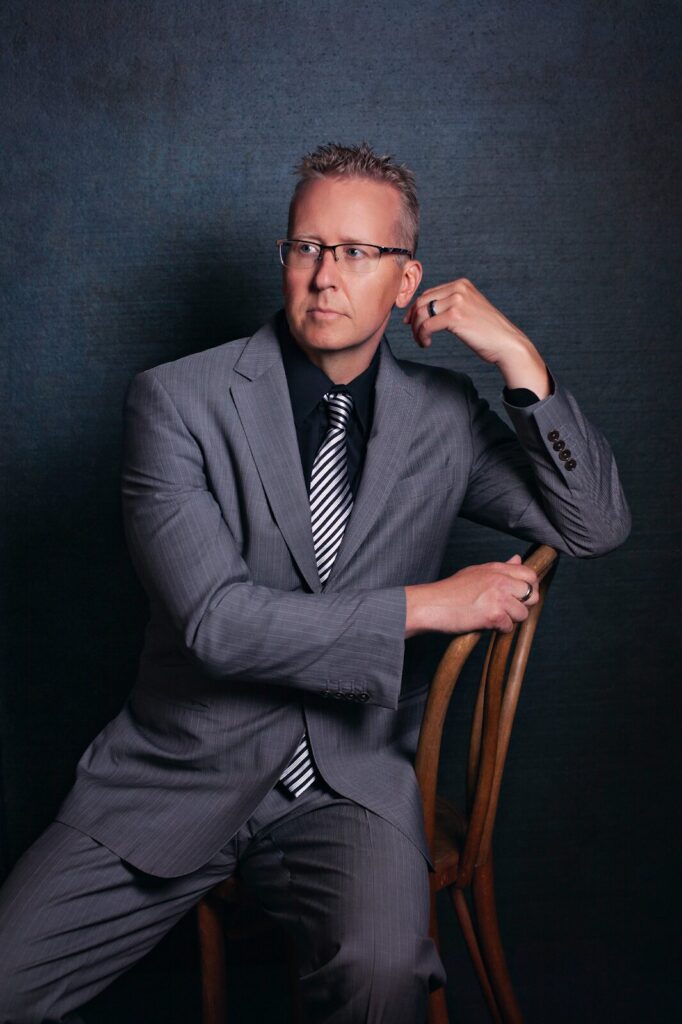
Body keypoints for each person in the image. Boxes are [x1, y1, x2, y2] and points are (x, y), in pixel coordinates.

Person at [0, 142, 630, 1024]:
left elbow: (596, 525)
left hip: (346, 786)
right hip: (176, 773)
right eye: (308, 248)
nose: (326, 276)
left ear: (406, 281)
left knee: (382, 976)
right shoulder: (176, 403)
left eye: (357, 253)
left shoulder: (444, 423)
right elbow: (217, 624)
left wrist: (517, 355)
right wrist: (429, 607)